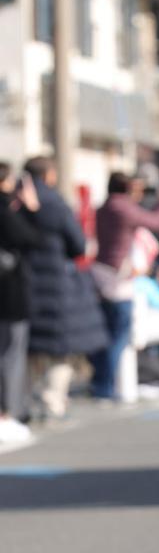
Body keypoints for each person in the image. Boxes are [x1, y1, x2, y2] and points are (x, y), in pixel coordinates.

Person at [23, 156, 107, 420]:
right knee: (60, 348)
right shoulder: (55, 204)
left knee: (27, 347)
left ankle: (27, 401)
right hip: (57, 284)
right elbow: (78, 244)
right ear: (49, 175)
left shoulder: (16, 201)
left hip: (22, 281)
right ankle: (52, 401)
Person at [90, 171, 159, 401]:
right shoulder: (124, 208)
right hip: (119, 277)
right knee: (119, 334)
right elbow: (157, 222)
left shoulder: (103, 207)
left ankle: (100, 383)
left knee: (104, 332)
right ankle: (105, 386)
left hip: (100, 272)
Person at [0, 165, 42, 442]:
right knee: (11, 353)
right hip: (9, 293)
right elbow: (31, 239)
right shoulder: (5, 211)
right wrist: (31, 209)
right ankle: (8, 413)